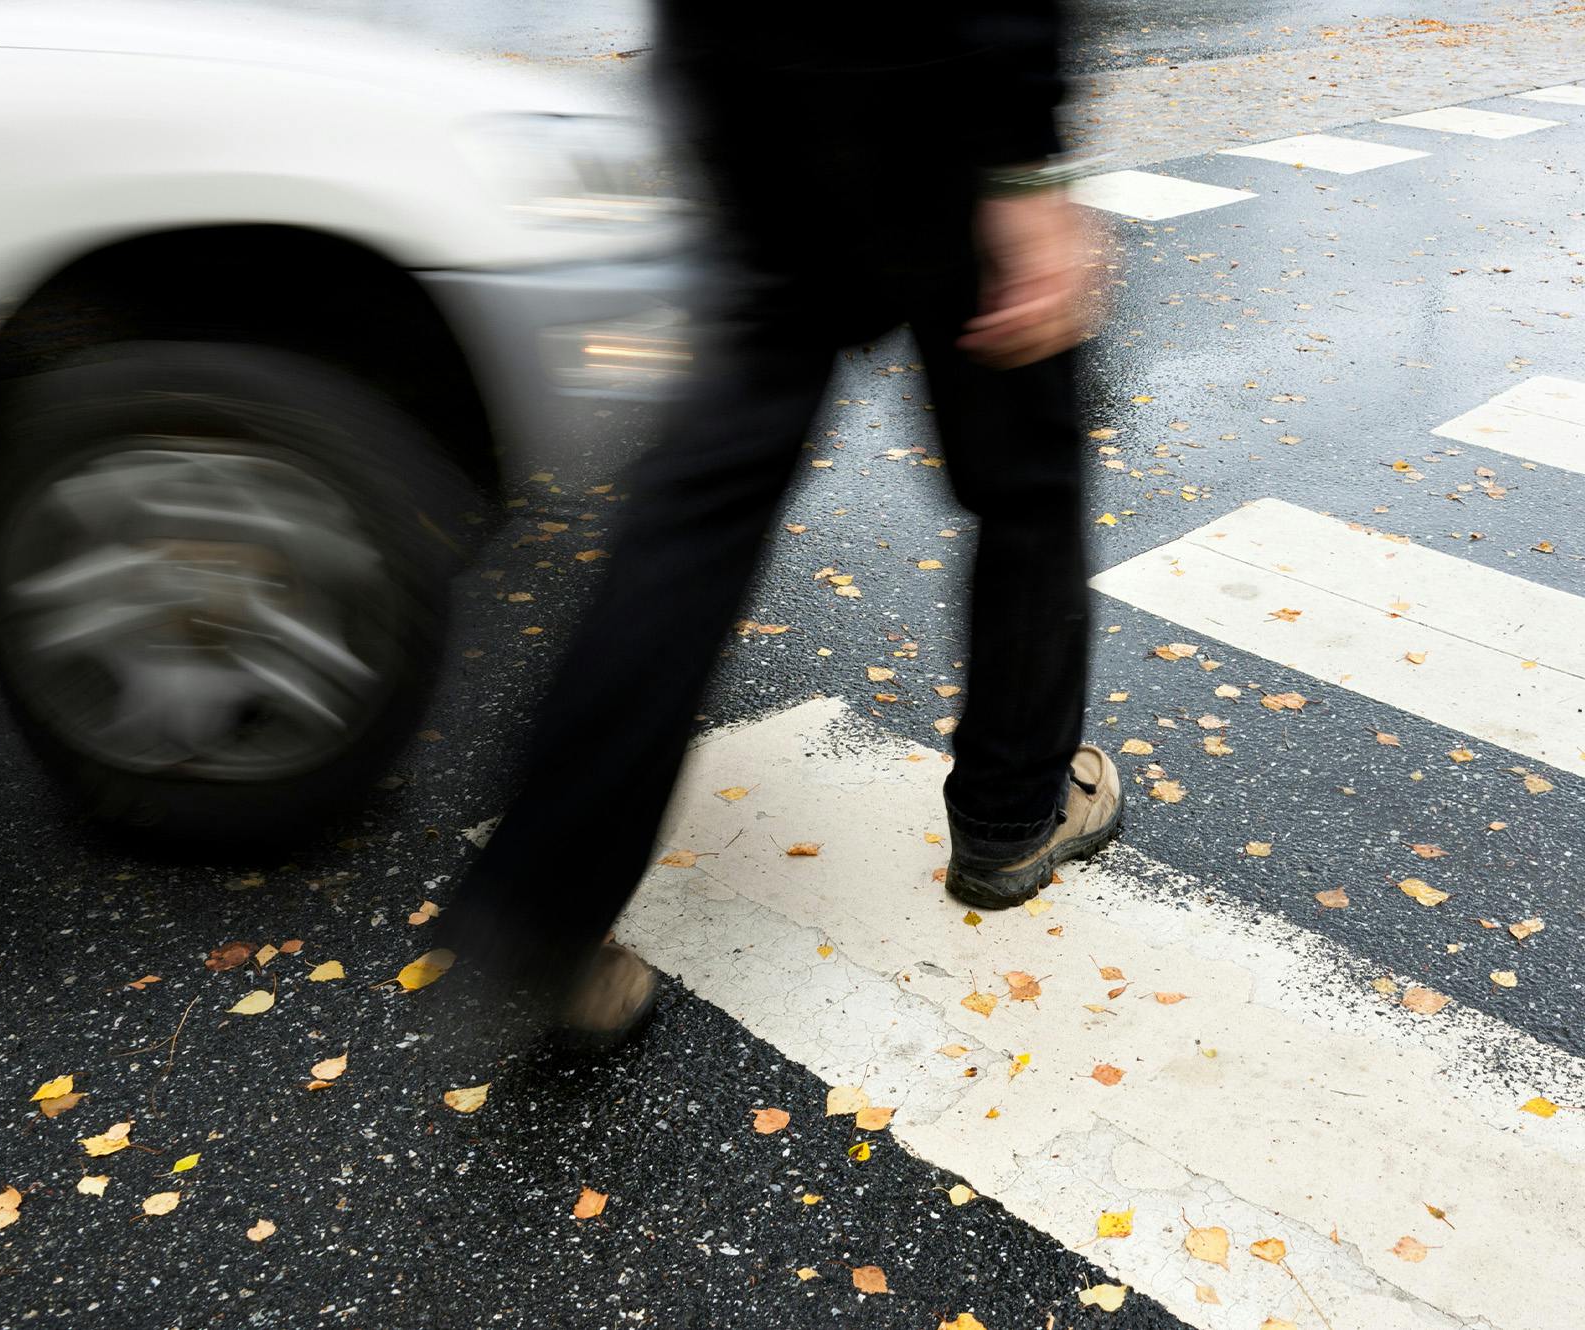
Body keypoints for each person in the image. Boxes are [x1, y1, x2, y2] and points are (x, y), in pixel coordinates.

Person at [450, 3, 1122, 1048]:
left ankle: (546, 902)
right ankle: (1009, 816)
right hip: (933, 89)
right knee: (1024, 478)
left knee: (700, 505)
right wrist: (1024, 164)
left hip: (748, 80)